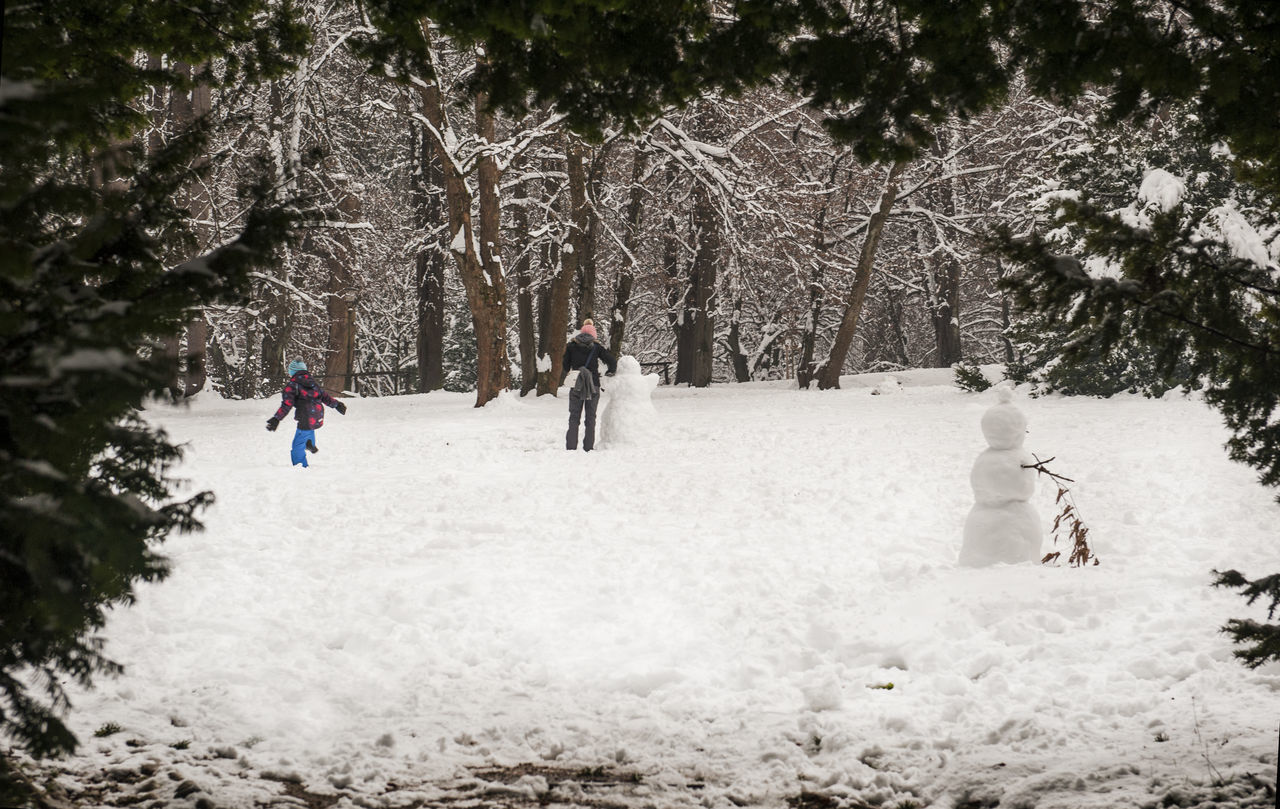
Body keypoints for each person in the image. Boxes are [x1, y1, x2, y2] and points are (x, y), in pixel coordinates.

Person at [266, 359, 347, 467]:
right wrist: (337, 404)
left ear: (293, 372)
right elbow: (324, 396)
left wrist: (276, 418)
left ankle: (301, 467)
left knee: (297, 446)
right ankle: (309, 443)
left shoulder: (292, 385)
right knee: (309, 427)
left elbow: (287, 404)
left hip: (305, 416)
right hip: (318, 414)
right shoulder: (313, 383)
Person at [558, 318, 617, 451]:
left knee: (574, 417)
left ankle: (571, 447)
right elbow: (612, 361)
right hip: (593, 385)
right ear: (593, 334)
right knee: (591, 417)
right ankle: (588, 448)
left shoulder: (571, 346)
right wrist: (610, 372)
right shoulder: (596, 347)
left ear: (580, 333)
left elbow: (565, 365)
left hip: (576, 384)